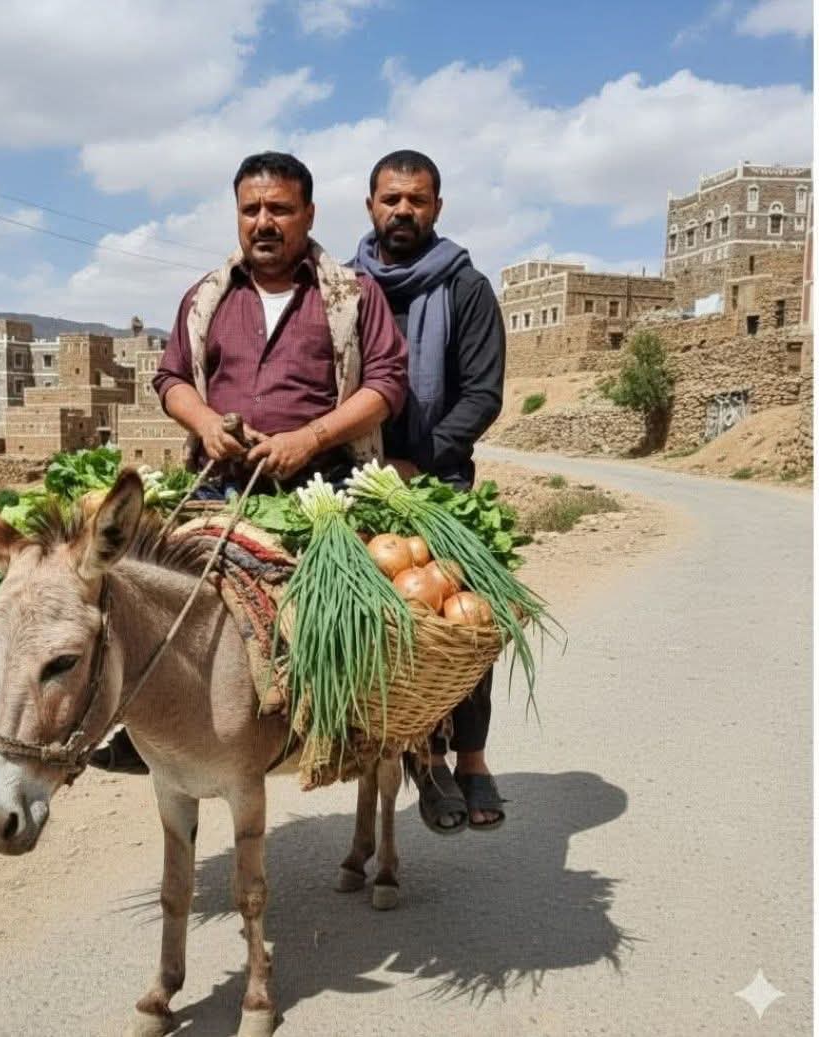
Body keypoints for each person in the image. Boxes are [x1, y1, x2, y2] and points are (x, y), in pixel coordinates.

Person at [90, 150, 408, 773]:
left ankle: (340, 721)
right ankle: (150, 730)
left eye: (279, 209)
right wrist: (207, 424)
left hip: (322, 491)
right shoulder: (207, 297)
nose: (264, 222)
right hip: (220, 488)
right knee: (145, 594)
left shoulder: (351, 295)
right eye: (250, 209)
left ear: (309, 215)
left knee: (334, 609)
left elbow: (385, 385)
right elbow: (171, 379)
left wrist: (309, 438)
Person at [354, 149, 507, 834]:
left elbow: (482, 394)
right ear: (371, 206)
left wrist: (419, 461)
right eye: (391, 199)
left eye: (416, 200)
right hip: (356, 477)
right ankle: (420, 754)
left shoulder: (465, 288)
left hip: (438, 481)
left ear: (437, 208)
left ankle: (470, 756)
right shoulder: (342, 288)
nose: (403, 211)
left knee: (469, 611)